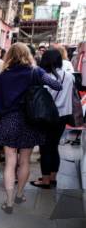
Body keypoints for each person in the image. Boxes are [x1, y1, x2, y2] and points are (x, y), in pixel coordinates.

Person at [0, 43, 61, 213]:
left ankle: (9, 201)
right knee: (25, 161)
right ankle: (20, 194)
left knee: (10, 162)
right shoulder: (35, 72)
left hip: (9, 121)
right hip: (30, 121)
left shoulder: (0, 78)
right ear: (28, 55)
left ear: (9, 56)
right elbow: (57, 85)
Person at [31, 49, 74, 188]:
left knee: (45, 148)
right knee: (54, 147)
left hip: (48, 116)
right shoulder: (69, 76)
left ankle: (45, 180)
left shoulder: (46, 76)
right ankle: (52, 177)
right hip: (63, 116)